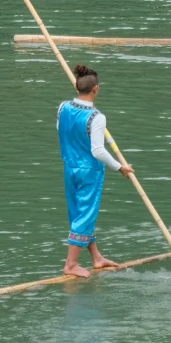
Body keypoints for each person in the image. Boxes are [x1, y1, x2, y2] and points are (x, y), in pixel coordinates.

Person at [57, 63, 134, 278]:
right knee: (85, 215)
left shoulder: (63, 107)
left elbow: (61, 131)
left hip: (69, 167)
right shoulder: (97, 117)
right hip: (89, 171)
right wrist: (120, 167)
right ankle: (71, 264)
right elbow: (98, 150)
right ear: (96, 89)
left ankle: (97, 258)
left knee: (78, 213)